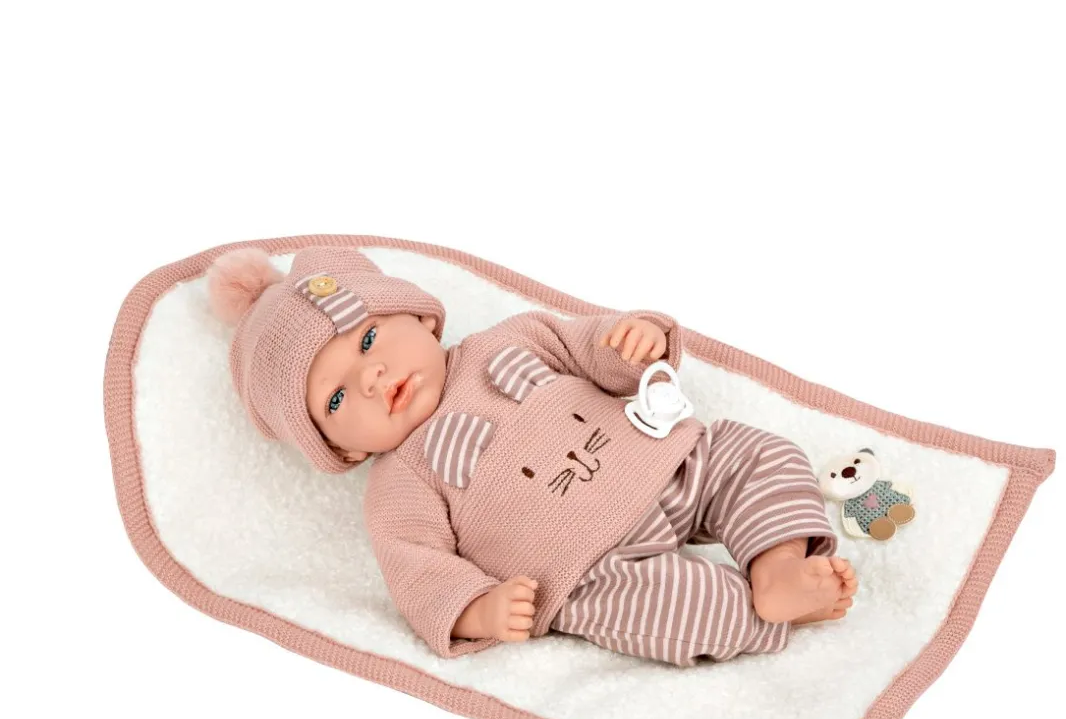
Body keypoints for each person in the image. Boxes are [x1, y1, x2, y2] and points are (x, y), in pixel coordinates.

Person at [208, 245, 857, 666]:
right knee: (676, 610)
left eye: (370, 339)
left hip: (673, 459)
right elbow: (418, 572)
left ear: (421, 319)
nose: (372, 376)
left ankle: (776, 563)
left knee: (761, 456)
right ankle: (763, 610)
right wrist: (480, 609)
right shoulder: (399, 484)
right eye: (338, 396)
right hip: (590, 572)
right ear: (342, 447)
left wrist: (630, 342)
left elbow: (589, 347)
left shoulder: (510, 339)